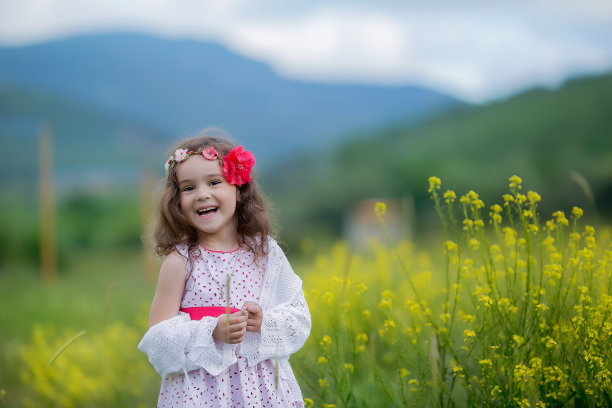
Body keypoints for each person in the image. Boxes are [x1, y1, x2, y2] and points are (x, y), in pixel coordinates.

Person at [138, 128, 311, 408]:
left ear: (239, 189)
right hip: (200, 393)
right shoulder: (180, 262)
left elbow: (299, 318)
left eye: (214, 182)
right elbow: (158, 341)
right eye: (189, 187)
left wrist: (263, 322)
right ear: (177, 202)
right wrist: (211, 332)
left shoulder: (266, 253)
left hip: (263, 390)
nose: (202, 194)